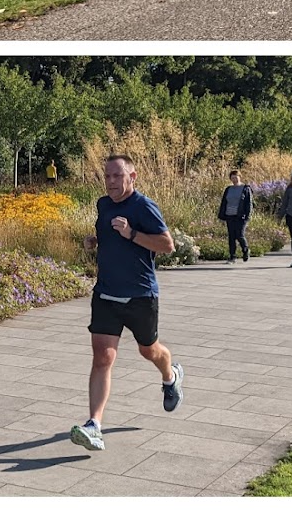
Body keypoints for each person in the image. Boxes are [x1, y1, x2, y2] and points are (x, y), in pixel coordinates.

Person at [71, 154, 184, 452]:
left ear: (132, 177)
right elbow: (107, 235)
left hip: (140, 296)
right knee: (102, 358)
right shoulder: (103, 204)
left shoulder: (144, 207)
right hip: (106, 293)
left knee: (149, 350)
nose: (110, 182)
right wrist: (95, 241)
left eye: (117, 176)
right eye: (107, 176)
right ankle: (94, 425)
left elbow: (167, 245)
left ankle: (170, 375)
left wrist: (132, 233)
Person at [217, 168, 252, 264]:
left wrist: (247, 215)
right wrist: (221, 215)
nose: (234, 180)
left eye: (236, 177)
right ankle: (232, 256)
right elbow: (224, 202)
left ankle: (245, 250)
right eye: (232, 178)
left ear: (239, 177)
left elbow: (249, 203)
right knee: (231, 236)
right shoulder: (228, 189)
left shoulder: (245, 188)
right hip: (230, 215)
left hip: (241, 216)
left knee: (240, 235)